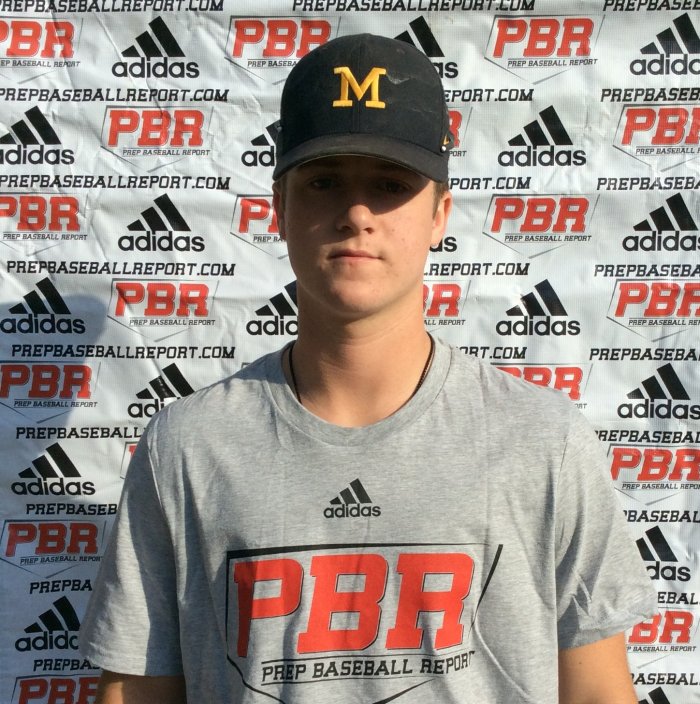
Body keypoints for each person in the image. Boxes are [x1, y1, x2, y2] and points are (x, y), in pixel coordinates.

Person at [79, 33, 656, 703]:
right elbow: (136, 692)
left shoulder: (543, 439)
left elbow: (598, 692)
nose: (356, 215)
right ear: (280, 207)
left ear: (440, 214)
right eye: (324, 182)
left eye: (389, 185)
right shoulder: (186, 445)